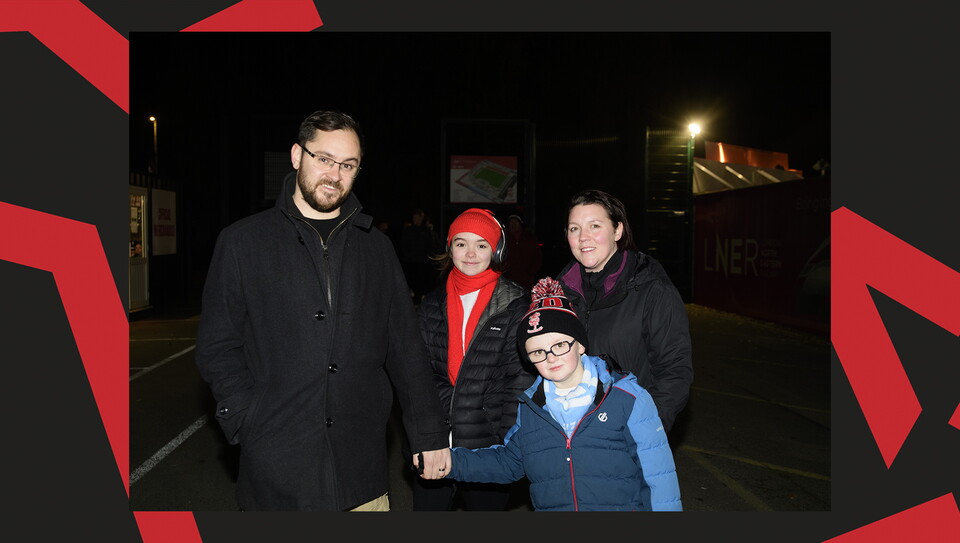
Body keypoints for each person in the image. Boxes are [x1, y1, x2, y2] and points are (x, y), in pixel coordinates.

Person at [194, 110, 451, 511]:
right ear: (297, 156)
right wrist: (245, 416)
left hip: (360, 471)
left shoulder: (377, 249)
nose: (334, 173)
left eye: (347, 164)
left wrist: (430, 434)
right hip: (275, 470)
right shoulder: (243, 243)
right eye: (323, 159)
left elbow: (406, 348)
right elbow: (217, 345)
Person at [428, 277, 682, 512]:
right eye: (537, 351)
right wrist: (448, 460)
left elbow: (659, 481)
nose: (550, 358)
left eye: (559, 345)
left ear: (580, 344)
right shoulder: (530, 408)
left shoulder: (628, 398)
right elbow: (509, 462)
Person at [412, 208, 536, 510]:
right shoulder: (430, 304)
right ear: (449, 247)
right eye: (461, 243)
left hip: (488, 447)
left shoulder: (515, 305)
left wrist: (504, 445)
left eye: (481, 245)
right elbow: (418, 377)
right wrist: (423, 437)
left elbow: (518, 383)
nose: (470, 253)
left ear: (495, 250)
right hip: (436, 442)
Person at [556, 189, 692, 433]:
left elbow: (674, 371)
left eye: (594, 226)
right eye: (574, 228)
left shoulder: (651, 289)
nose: (583, 238)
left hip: (626, 433)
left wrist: (646, 431)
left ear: (617, 231)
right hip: (571, 433)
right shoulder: (560, 292)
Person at [399, 208, 440, 304]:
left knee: (421, 285)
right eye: (414, 217)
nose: (415, 219)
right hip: (410, 263)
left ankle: (419, 302)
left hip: (422, 264)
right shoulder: (408, 231)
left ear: (422, 218)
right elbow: (403, 245)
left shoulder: (426, 231)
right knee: (411, 283)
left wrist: (427, 258)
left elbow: (432, 246)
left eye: (418, 217)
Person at [502, 213, 542, 291]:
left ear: (521, 224)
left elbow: (537, 257)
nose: (513, 225)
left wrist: (530, 271)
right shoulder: (505, 239)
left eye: (515, 222)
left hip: (525, 280)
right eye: (511, 223)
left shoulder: (530, 239)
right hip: (509, 280)